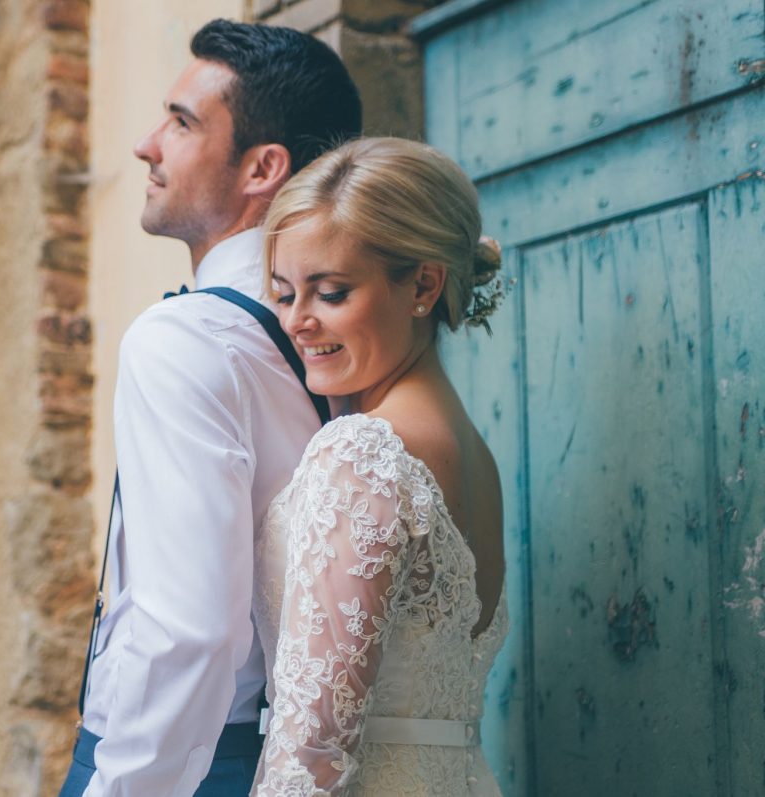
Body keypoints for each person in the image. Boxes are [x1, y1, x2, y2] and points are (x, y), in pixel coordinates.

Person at [59, 19, 362, 797]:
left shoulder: (183, 338)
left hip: (174, 762)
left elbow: (188, 630)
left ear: (262, 167)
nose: (146, 144)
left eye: (182, 123)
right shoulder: (348, 336)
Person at [251, 137, 509, 795]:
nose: (298, 322)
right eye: (283, 293)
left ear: (424, 283)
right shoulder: (471, 451)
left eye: (330, 292)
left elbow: (314, 748)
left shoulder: (361, 453)